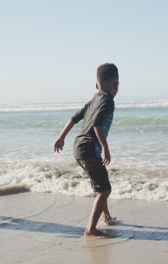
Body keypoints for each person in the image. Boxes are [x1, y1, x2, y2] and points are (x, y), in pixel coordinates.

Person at [54, 63, 119, 236]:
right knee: (105, 190)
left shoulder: (94, 99)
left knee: (101, 185)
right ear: (116, 85)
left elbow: (74, 118)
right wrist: (105, 148)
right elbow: (97, 124)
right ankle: (91, 228)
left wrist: (61, 137)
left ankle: (107, 216)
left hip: (79, 148)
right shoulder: (108, 100)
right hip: (91, 149)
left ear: (96, 85)